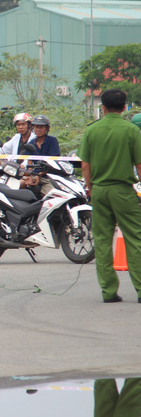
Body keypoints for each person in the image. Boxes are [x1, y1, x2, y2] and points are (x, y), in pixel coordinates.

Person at [78, 89, 141, 304]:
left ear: (102, 108)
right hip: (124, 191)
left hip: (100, 190)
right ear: (125, 107)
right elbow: (140, 165)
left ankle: (109, 292)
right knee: (134, 239)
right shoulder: (131, 131)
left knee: (103, 241)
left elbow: (85, 166)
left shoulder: (92, 131)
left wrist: (91, 189)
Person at [22, 114, 61, 197]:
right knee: (18, 185)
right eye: (36, 127)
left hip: (49, 176)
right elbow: (30, 163)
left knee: (53, 196)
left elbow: (54, 161)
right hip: (35, 175)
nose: (38, 130)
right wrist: (30, 175)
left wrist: (39, 175)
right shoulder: (31, 143)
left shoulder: (52, 141)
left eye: (41, 127)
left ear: (47, 128)